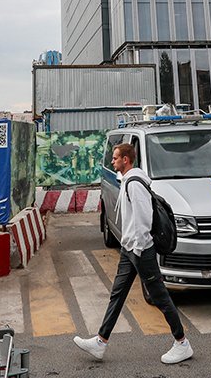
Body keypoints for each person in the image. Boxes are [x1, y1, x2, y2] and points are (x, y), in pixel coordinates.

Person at [73, 142, 193, 364]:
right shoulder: (128, 181)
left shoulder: (135, 184)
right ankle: (100, 342)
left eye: (115, 158)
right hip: (130, 250)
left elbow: (144, 220)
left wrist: (137, 249)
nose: (112, 161)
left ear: (125, 160)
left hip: (140, 250)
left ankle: (182, 343)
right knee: (117, 294)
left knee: (159, 296)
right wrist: (129, 247)